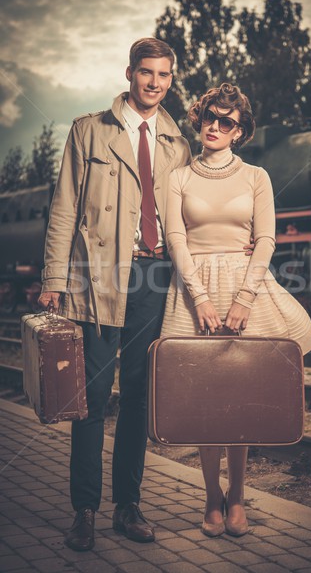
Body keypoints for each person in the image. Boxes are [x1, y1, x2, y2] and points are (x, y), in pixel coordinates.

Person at [37, 38, 193, 551]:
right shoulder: (89, 130)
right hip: (99, 279)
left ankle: (129, 506)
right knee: (92, 400)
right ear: (130, 73)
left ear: (171, 78)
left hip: (154, 278)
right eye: (147, 73)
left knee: (139, 399)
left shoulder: (177, 142)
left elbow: (186, 221)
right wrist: (53, 279)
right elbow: (64, 209)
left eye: (164, 75)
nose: (155, 83)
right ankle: (85, 509)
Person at [160, 82, 311, 538]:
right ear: (201, 118)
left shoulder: (257, 177)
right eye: (210, 116)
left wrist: (245, 297)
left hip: (245, 287)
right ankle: (211, 497)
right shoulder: (180, 178)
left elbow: (265, 238)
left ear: (240, 131)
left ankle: (238, 498)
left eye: (226, 120)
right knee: (207, 399)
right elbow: (176, 240)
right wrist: (201, 297)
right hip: (194, 294)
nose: (214, 125)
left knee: (241, 397)